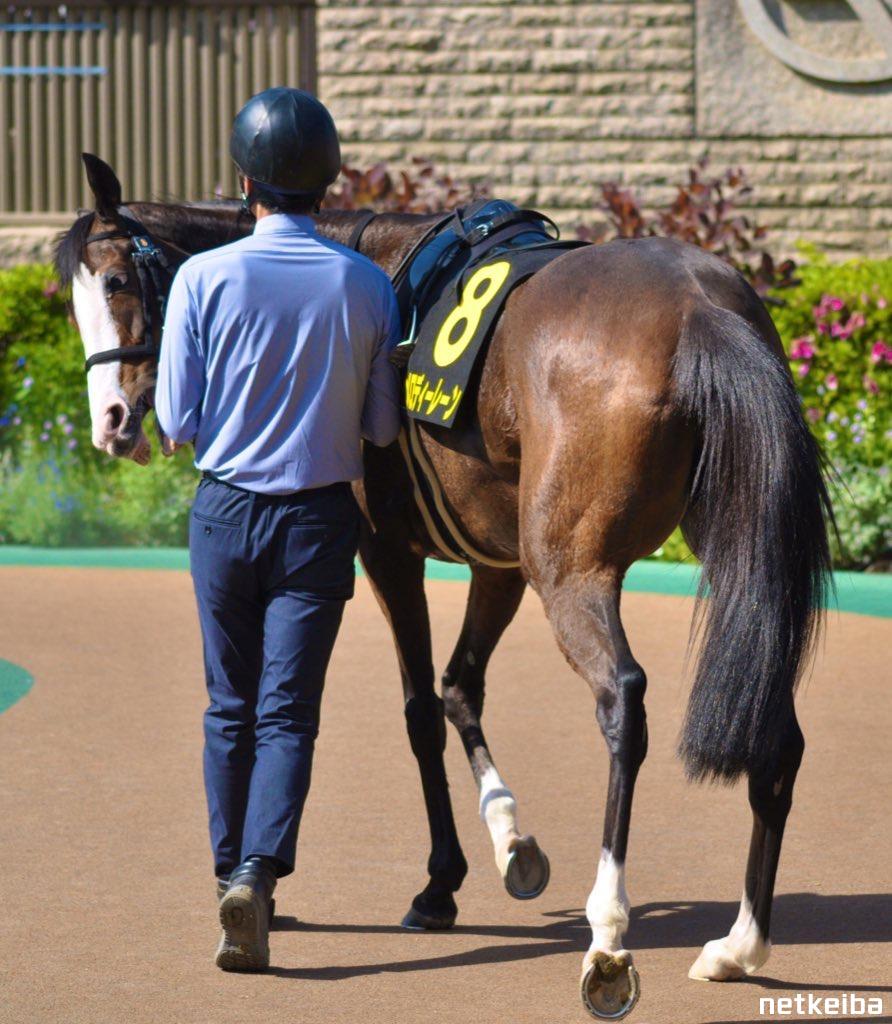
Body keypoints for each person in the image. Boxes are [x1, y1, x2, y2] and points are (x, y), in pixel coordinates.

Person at [154, 87, 402, 972]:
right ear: (328, 182)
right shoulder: (369, 286)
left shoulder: (200, 279)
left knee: (230, 704)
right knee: (288, 713)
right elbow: (380, 432)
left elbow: (176, 419)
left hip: (223, 513)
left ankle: (231, 874)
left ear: (243, 180)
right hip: (318, 519)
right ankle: (258, 875)